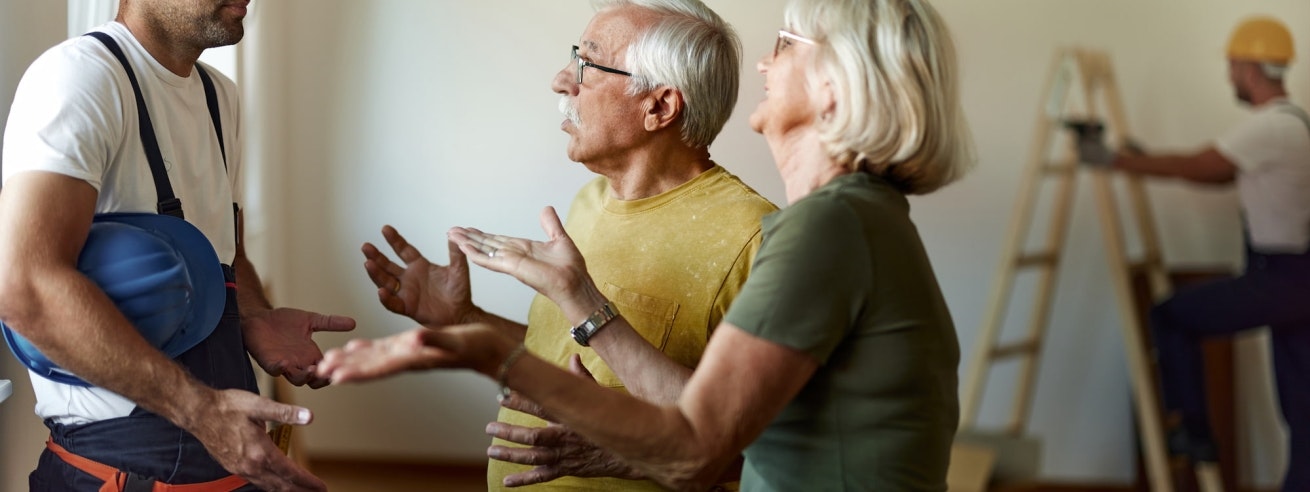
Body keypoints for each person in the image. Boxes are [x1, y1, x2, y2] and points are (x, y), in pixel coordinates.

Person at [322, 0, 971, 489]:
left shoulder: (819, 228)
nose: (766, 62)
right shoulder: (851, 220)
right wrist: (477, 318)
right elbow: (693, 405)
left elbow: (699, 445)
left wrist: (492, 354)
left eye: (786, 43)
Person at [355, 0, 774, 489]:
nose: (560, 80)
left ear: (659, 106)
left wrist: (629, 445)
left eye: (587, 64)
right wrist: (466, 318)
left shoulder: (758, 238)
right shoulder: (590, 200)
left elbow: (762, 449)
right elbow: (572, 355)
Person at [0, 1, 355, 490]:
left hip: (224, 463)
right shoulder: (80, 78)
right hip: (117, 473)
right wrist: (201, 412)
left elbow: (227, 246)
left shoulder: (219, 97)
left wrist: (254, 316)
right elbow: (26, 290)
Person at [1073, 16, 1310, 492]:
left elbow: (1201, 165)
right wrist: (1142, 157)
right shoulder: (1297, 124)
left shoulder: (1268, 127)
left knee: (1172, 317)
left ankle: (1196, 433)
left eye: (1232, 66)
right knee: (1304, 411)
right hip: (1297, 281)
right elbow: (1224, 175)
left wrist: (1116, 160)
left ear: (1249, 67)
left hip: (1282, 277)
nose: (1229, 76)